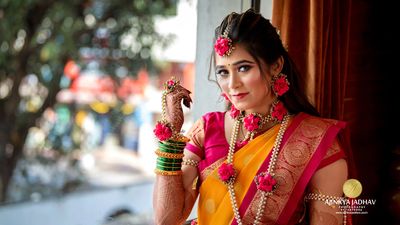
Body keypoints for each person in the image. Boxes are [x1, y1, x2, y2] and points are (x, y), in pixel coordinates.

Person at [153, 9, 351, 225]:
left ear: (276, 66)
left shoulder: (315, 140)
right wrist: (171, 137)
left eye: (244, 68)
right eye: (223, 72)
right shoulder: (207, 129)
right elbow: (167, 220)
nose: (232, 84)